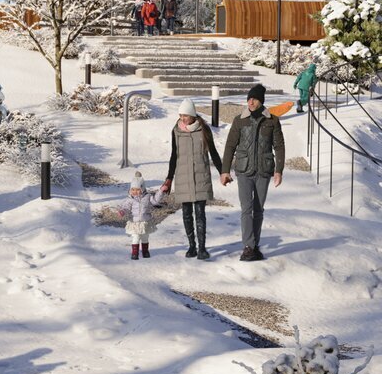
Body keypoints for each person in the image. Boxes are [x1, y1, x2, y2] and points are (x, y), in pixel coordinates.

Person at [220, 84, 286, 262]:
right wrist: (225, 170)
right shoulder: (239, 120)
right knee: (246, 209)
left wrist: (279, 170)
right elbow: (230, 146)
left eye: (254, 99)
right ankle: (248, 246)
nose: (250, 102)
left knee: (258, 210)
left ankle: (254, 244)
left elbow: (279, 146)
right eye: (249, 98)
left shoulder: (272, 120)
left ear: (261, 101)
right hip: (244, 170)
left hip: (263, 171)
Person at [162, 99, 224, 260]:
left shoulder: (203, 129)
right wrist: (169, 178)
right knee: (187, 213)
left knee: (200, 212)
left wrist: (222, 171)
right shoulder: (176, 131)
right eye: (180, 115)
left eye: (185, 115)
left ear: (192, 115)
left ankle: (202, 248)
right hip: (183, 176)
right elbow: (174, 156)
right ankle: (192, 246)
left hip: (200, 175)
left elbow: (213, 152)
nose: (183, 118)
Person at [118, 172, 166, 260]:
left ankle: (145, 251)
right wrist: (122, 211)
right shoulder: (130, 199)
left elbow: (155, 201)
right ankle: (134, 253)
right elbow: (125, 207)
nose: (135, 192)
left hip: (145, 222)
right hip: (135, 223)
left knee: (145, 237)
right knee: (135, 237)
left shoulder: (147, 197)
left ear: (142, 189)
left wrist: (161, 191)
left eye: (137, 189)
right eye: (133, 189)